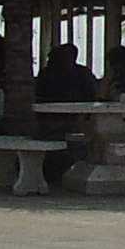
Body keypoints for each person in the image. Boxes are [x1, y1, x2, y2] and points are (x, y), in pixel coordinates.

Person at [33, 37, 98, 185]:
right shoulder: (49, 74)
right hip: (51, 120)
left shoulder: (82, 75)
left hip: (74, 120)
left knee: (79, 141)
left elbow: (90, 97)